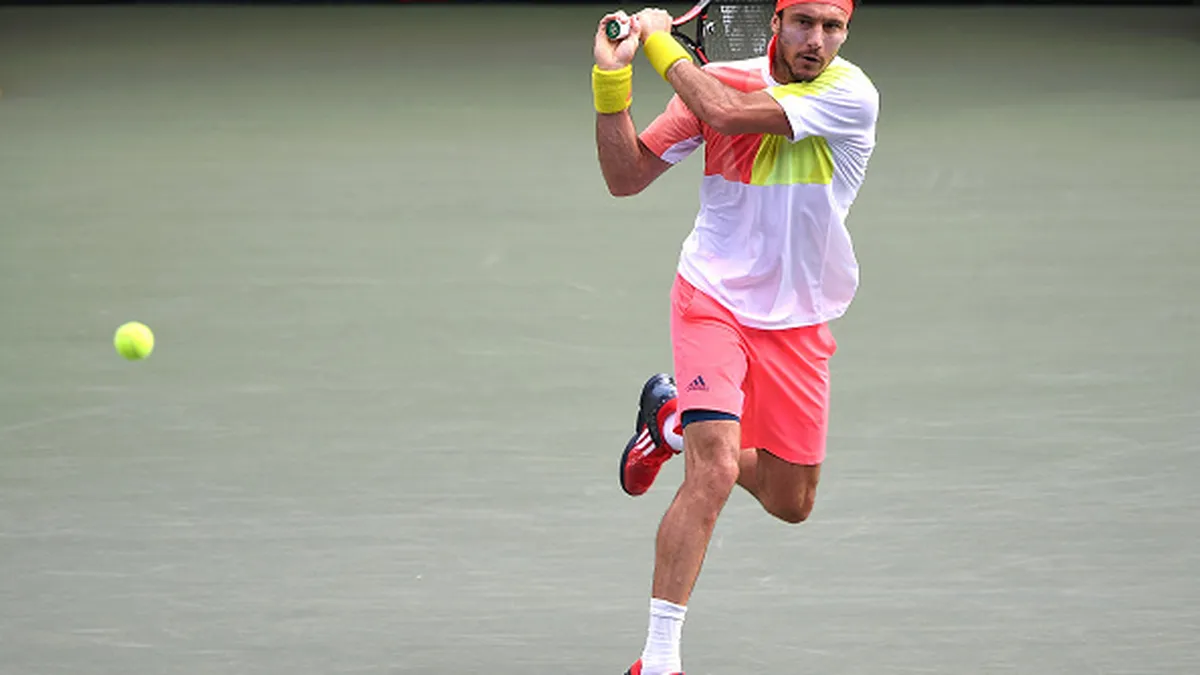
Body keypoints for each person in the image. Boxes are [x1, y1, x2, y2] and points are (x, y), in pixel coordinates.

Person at [590, 2, 878, 673]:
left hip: (798, 317)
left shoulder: (850, 94)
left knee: (791, 501)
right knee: (714, 469)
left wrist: (659, 45)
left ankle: (671, 421)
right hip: (711, 298)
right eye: (803, 22)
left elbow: (724, 112)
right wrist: (611, 82)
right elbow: (625, 177)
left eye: (832, 27)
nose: (817, 40)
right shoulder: (713, 82)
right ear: (776, 23)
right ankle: (658, 658)